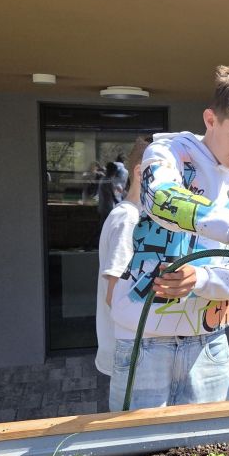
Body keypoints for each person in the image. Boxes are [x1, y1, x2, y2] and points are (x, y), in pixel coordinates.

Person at [108, 64, 229, 411]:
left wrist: (201, 278)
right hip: (144, 339)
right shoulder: (167, 154)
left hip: (210, 341)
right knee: (140, 443)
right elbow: (164, 200)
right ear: (211, 119)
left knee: (214, 441)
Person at [95, 137, 150, 380]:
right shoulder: (129, 219)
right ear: (139, 173)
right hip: (132, 357)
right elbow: (114, 297)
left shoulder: (134, 216)